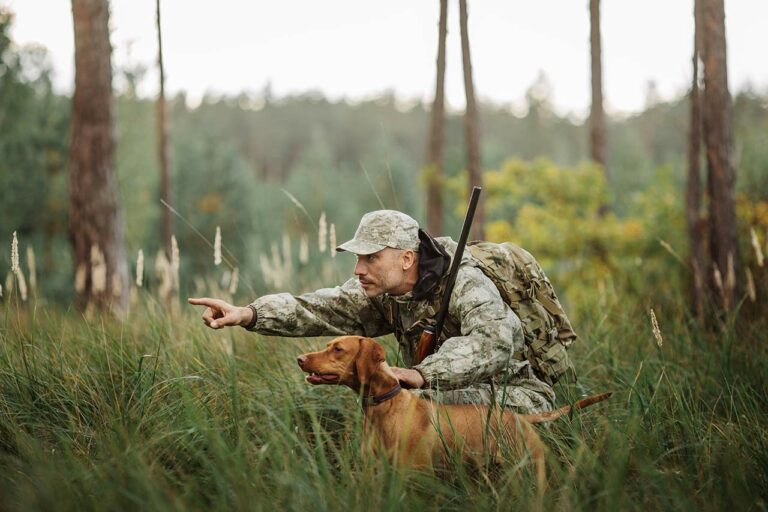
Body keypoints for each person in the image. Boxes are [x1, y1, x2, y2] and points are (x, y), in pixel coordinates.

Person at [188, 210, 555, 414]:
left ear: (406, 258)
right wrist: (249, 314)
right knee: (397, 403)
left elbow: (495, 342)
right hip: (444, 392)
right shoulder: (381, 291)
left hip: (515, 395)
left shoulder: (465, 282)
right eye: (358, 258)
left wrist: (422, 375)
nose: (358, 269)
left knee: (408, 405)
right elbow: (320, 308)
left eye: (371, 257)